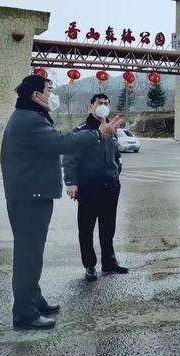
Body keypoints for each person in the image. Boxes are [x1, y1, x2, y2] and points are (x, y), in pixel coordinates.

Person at [1, 75, 122, 330]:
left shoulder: (30, 117)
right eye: (49, 90)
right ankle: (24, 313)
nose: (52, 95)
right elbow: (61, 143)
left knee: (32, 254)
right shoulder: (30, 120)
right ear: (36, 95)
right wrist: (98, 134)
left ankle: (34, 300)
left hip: (32, 195)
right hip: (30, 198)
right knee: (28, 257)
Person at [62, 93, 128, 282]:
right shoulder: (81, 131)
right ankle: (90, 265)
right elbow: (69, 158)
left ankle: (109, 262)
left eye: (106, 103)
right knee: (86, 229)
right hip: (88, 188)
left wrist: (116, 172)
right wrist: (71, 182)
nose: (103, 106)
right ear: (90, 106)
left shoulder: (112, 130)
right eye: (100, 103)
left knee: (108, 228)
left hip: (110, 187)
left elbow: (116, 156)